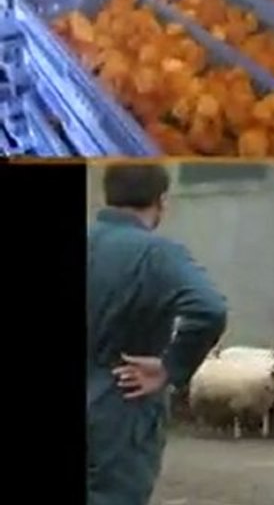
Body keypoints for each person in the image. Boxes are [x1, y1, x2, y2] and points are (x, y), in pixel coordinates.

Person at [87, 163, 228, 505]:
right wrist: (170, 366)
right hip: (121, 398)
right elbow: (210, 309)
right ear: (161, 201)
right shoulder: (157, 254)